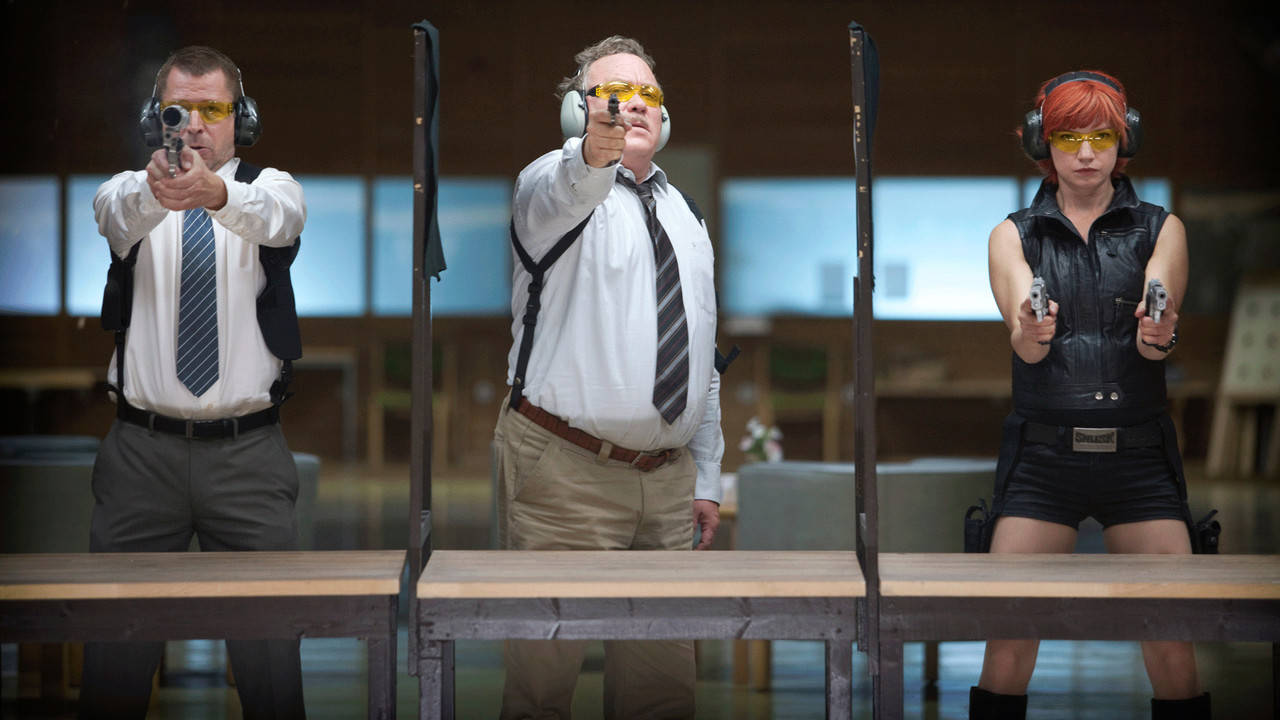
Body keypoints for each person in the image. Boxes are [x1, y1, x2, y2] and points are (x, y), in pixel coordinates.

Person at [493, 35, 725, 720]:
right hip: (564, 473)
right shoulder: (548, 186)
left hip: (667, 480)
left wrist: (706, 473)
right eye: (613, 93)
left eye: (647, 93)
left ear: (665, 114)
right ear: (578, 109)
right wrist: (596, 148)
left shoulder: (686, 213)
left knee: (663, 694)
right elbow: (577, 180)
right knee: (541, 688)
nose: (633, 105)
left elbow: (700, 351)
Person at [973, 70, 1208, 719]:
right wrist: (1031, 329)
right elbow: (1025, 345)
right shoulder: (1012, 234)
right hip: (1044, 460)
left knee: (1172, 638)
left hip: (1139, 458)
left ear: (1123, 139)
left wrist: (1159, 331)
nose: (1084, 152)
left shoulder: (1162, 228)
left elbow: (1157, 340)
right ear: (1041, 143)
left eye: (1101, 136)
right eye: (1068, 137)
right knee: (1010, 636)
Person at [82, 45, 307, 719]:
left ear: (243, 117)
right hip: (141, 455)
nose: (198, 125)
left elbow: (278, 219)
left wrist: (217, 194)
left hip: (248, 455)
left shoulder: (271, 186)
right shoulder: (127, 188)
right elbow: (116, 217)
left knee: (271, 663)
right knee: (113, 661)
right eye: (181, 110)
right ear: (157, 118)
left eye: (215, 109)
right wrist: (157, 190)